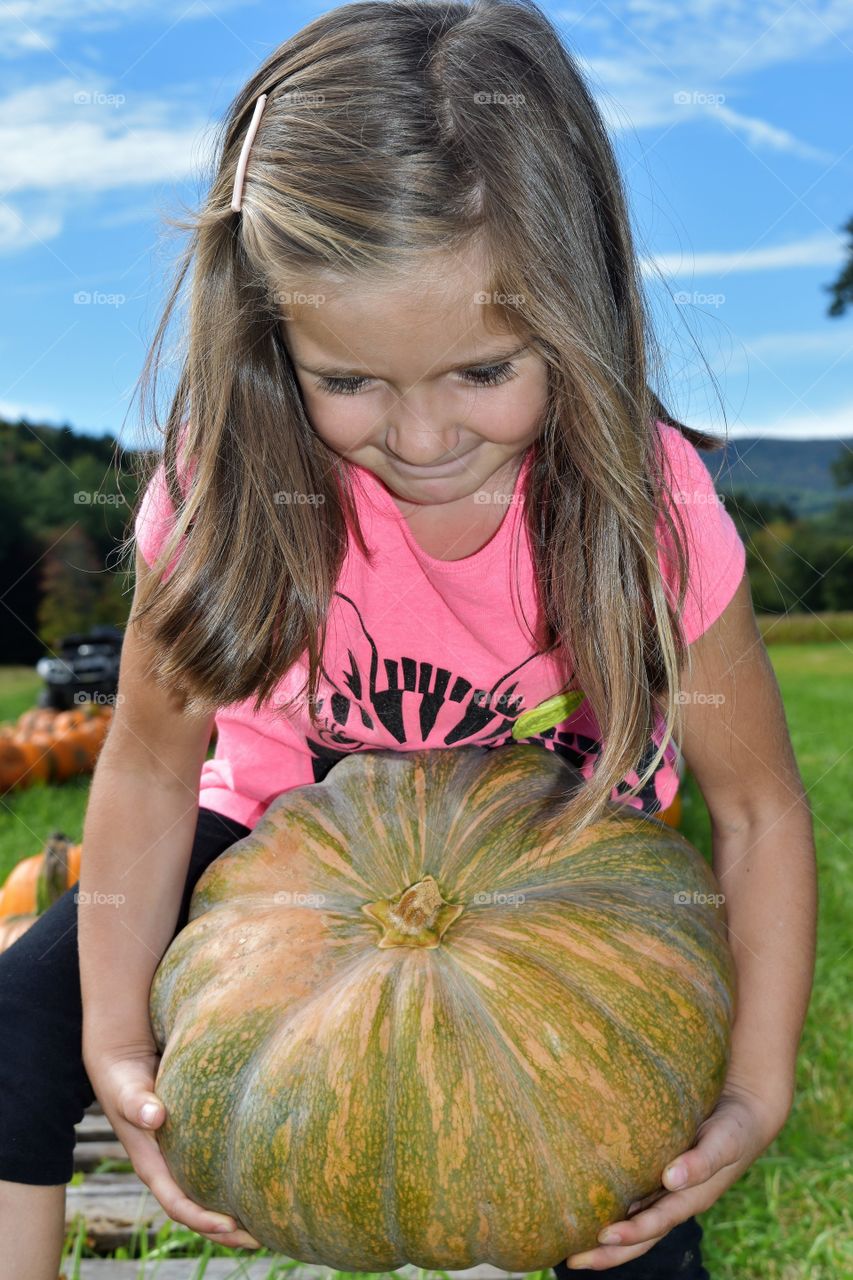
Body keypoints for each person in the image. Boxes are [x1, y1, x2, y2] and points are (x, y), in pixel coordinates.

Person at [0, 2, 817, 1277]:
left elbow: (758, 809)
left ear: (578, 305)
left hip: (552, 872)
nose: (423, 437)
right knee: (13, 1022)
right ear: (271, 335)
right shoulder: (228, 487)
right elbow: (155, 766)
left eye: (484, 371)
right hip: (284, 844)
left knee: (633, 1182)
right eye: (351, 381)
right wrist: (115, 1030)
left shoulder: (642, 506)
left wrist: (755, 1090)